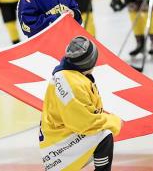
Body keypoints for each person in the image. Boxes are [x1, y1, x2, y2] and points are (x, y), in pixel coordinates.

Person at [39, 36, 122, 170]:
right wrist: (113, 121)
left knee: (101, 132)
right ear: (90, 63)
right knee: (104, 135)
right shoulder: (73, 84)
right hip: (58, 146)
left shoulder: (70, 74)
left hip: (60, 137)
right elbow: (83, 123)